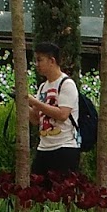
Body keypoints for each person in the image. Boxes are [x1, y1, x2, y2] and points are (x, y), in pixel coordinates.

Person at [27, 42, 80, 178]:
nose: (37, 64)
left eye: (40, 60)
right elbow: (36, 119)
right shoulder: (42, 87)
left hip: (64, 148)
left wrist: (34, 102)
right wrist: (22, 103)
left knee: (61, 189)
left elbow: (62, 114)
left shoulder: (67, 84)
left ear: (52, 61)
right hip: (43, 148)